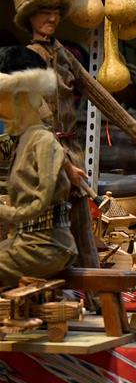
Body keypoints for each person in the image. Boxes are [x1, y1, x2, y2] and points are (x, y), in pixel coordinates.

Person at [12, 0, 136, 271]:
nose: (51, 18)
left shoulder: (64, 56)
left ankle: (93, 295)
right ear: (30, 18)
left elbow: (106, 102)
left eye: (55, 12)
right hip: (40, 157)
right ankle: (55, 293)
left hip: (69, 150)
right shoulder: (26, 59)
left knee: (83, 229)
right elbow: (39, 120)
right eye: (42, 12)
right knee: (46, 231)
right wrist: (63, 165)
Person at [0, 45, 77, 285]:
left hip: (42, 240)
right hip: (21, 229)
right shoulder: (24, 128)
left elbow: (47, 145)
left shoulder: (38, 128)